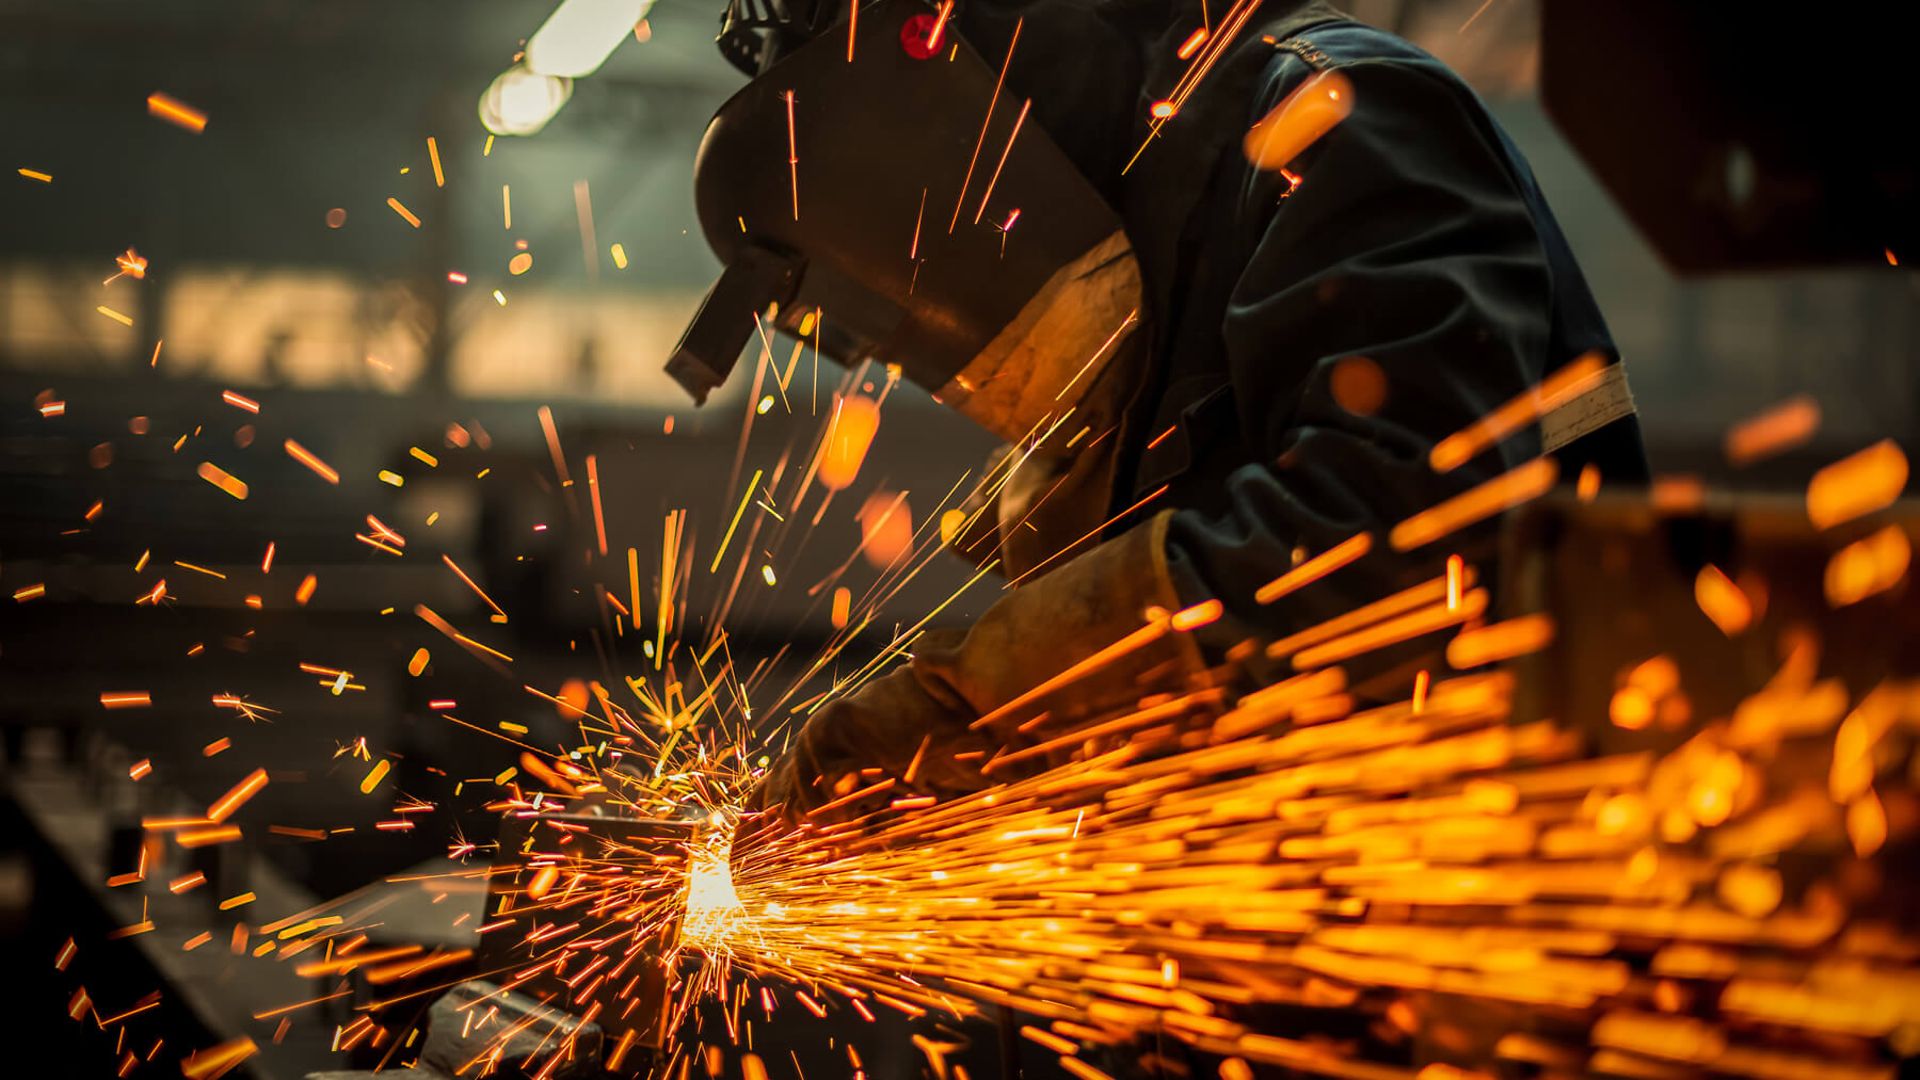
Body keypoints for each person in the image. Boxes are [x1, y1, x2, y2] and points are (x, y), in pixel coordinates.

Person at [719, 0, 1650, 827]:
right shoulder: (1141, 216)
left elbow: (1401, 543)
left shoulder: (1333, 116)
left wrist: (980, 712)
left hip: (1458, 909)